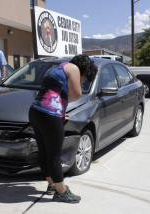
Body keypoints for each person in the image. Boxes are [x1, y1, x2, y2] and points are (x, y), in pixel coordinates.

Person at [28, 54, 98, 203]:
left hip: (36, 112)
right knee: (54, 156)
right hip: (50, 114)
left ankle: (53, 185)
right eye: (85, 76)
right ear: (83, 70)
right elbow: (75, 95)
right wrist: (79, 80)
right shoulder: (73, 69)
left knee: (44, 152)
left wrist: (60, 111)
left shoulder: (57, 68)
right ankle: (62, 192)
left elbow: (53, 92)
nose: (83, 79)